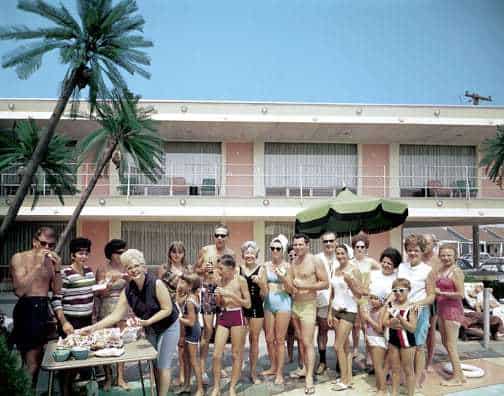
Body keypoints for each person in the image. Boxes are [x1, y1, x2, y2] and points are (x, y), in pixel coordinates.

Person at [81, 249, 180, 396]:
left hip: (168, 326)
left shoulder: (156, 283)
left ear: (143, 266)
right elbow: (115, 316)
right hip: (150, 327)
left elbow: (167, 309)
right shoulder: (128, 290)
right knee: (154, 364)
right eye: (129, 267)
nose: (133, 270)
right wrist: (93, 328)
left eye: (136, 266)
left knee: (163, 365)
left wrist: (148, 321)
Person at [10, 227, 64, 386]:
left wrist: (58, 268)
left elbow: (57, 290)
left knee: (40, 360)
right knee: (31, 362)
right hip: (27, 307)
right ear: (35, 242)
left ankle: (30, 389)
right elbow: (20, 290)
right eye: (43, 243)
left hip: (43, 307)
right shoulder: (19, 258)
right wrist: (37, 266)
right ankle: (24, 390)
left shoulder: (51, 262)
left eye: (51, 245)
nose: (47, 248)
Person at [54, 237, 96, 396]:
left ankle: (78, 390)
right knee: (69, 361)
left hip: (87, 320)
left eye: (86, 253)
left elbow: (90, 294)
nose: (84, 256)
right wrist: (63, 322)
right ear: (73, 255)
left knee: (83, 357)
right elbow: (56, 299)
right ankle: (65, 391)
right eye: (80, 253)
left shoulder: (90, 272)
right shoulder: (65, 273)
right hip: (70, 322)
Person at [289, 233, 329, 395]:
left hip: (308, 306)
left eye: (300, 244)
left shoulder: (315, 260)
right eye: (295, 245)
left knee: (307, 342)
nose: (297, 247)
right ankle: (305, 368)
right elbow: (291, 285)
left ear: (307, 245)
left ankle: (309, 379)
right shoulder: (294, 261)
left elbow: (325, 283)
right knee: (301, 341)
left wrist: (305, 284)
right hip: (295, 306)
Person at [195, 224, 235, 383]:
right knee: (208, 330)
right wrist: (203, 269)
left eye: (222, 235)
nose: (219, 238)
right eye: (217, 235)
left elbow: (233, 273)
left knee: (222, 329)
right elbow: (195, 269)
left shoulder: (231, 253)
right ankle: (203, 367)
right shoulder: (205, 250)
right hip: (208, 291)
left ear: (227, 237)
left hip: (223, 290)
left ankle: (218, 365)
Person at [397, 234, 435, 388]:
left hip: (420, 311)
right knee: (403, 345)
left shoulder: (428, 270)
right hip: (402, 311)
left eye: (416, 250)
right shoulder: (401, 267)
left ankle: (417, 379)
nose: (412, 253)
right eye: (410, 250)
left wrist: (417, 304)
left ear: (422, 251)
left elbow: (431, 296)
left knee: (419, 347)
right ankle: (404, 376)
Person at [210, 254, 251, 396]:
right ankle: (216, 387)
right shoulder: (220, 281)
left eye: (221, 268)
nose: (218, 271)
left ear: (231, 268)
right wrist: (218, 297)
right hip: (223, 315)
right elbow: (220, 303)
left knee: (236, 354)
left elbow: (248, 303)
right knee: (216, 355)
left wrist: (231, 294)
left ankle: (232, 387)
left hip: (237, 315)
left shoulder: (241, 280)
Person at [328, 244, 363, 392]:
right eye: (338, 253)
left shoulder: (354, 269)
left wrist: (350, 282)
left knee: (337, 346)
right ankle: (347, 377)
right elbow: (333, 293)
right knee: (345, 347)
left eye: (342, 253)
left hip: (349, 311)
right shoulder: (335, 269)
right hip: (336, 310)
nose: (340, 256)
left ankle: (343, 380)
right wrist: (330, 312)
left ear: (348, 254)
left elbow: (360, 293)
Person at [96, 239, 129, 391]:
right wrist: (109, 283)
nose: (122, 255)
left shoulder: (128, 267)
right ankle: (108, 377)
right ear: (111, 253)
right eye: (119, 252)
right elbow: (100, 293)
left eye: (124, 252)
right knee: (106, 342)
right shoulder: (103, 269)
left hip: (123, 307)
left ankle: (121, 377)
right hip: (107, 307)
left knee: (121, 341)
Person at [262, 235, 292, 385]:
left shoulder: (288, 266)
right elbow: (263, 288)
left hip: (283, 304)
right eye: (272, 248)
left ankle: (280, 373)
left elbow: (292, 289)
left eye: (278, 248)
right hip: (268, 303)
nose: (274, 250)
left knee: (280, 340)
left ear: (283, 250)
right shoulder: (265, 265)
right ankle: (273, 366)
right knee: (268, 338)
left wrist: (284, 278)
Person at [158, 241, 189, 386]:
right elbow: (159, 289)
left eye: (180, 252)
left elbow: (192, 287)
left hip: (185, 308)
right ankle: (165, 374)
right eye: (174, 252)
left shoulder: (188, 268)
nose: (177, 255)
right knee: (167, 343)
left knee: (182, 343)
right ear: (169, 253)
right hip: (169, 309)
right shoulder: (163, 269)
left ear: (184, 254)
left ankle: (182, 373)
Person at [435, 244, 466, 386]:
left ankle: (457, 378)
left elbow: (461, 294)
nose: (446, 258)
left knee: (450, 344)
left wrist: (441, 293)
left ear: (455, 257)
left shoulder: (456, 271)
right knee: (445, 343)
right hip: (441, 309)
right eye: (443, 255)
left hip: (452, 310)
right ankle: (459, 374)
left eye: (449, 255)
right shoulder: (441, 270)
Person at [384, 278, 418, 396]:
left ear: (408, 291)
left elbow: (412, 328)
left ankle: (410, 394)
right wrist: (391, 322)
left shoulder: (412, 307)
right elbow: (384, 322)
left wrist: (400, 319)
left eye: (401, 290)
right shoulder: (390, 305)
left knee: (408, 370)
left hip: (407, 342)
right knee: (395, 369)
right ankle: (394, 393)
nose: (398, 292)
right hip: (393, 340)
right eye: (395, 290)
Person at [239, 241, 266, 384]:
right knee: (240, 341)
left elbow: (265, 293)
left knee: (254, 340)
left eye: (252, 253)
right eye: (247, 253)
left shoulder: (261, 269)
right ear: (243, 255)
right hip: (241, 307)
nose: (249, 255)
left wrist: (260, 283)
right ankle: (238, 371)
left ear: (256, 254)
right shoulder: (238, 269)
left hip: (256, 306)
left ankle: (253, 372)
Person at [351, 233, 380, 362]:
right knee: (355, 326)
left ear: (366, 247)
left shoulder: (370, 262)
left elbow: (383, 272)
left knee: (365, 326)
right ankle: (356, 349)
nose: (360, 249)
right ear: (354, 247)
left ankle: (368, 355)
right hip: (352, 298)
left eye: (362, 246)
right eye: (357, 246)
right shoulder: (350, 263)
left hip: (366, 298)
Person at [176, 273, 204, 396]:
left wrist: (177, 318)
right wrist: (178, 291)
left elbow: (191, 322)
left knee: (193, 361)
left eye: (183, 283)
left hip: (192, 331)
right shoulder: (192, 295)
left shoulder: (190, 301)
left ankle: (200, 389)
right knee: (187, 360)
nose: (180, 285)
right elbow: (178, 301)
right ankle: (187, 386)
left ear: (190, 285)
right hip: (190, 330)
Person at [314, 231, 338, 375]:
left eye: (331, 241)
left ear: (336, 242)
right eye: (325, 241)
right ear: (322, 243)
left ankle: (341, 362)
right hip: (322, 300)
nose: (328, 244)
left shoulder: (343, 256)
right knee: (322, 331)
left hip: (340, 302)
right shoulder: (317, 259)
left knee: (341, 333)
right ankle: (322, 361)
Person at [361, 287, 388, 396]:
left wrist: (368, 318)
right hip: (372, 339)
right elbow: (367, 326)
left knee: (378, 366)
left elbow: (380, 329)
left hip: (378, 340)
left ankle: (382, 390)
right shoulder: (372, 310)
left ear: (382, 300)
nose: (372, 300)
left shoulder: (382, 310)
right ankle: (378, 387)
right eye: (371, 298)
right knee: (376, 366)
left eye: (376, 298)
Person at [422, 233, 441, 372]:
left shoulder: (439, 261)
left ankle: (428, 361)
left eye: (427, 243)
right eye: (422, 242)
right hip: (418, 298)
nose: (424, 245)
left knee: (430, 330)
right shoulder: (417, 257)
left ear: (434, 244)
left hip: (433, 299)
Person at [285, 245, 299, 365]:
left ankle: (301, 357)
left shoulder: (301, 268)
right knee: (289, 332)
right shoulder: (286, 269)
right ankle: (289, 356)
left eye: (295, 255)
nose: (293, 257)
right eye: (291, 256)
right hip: (288, 303)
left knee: (299, 333)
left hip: (300, 303)